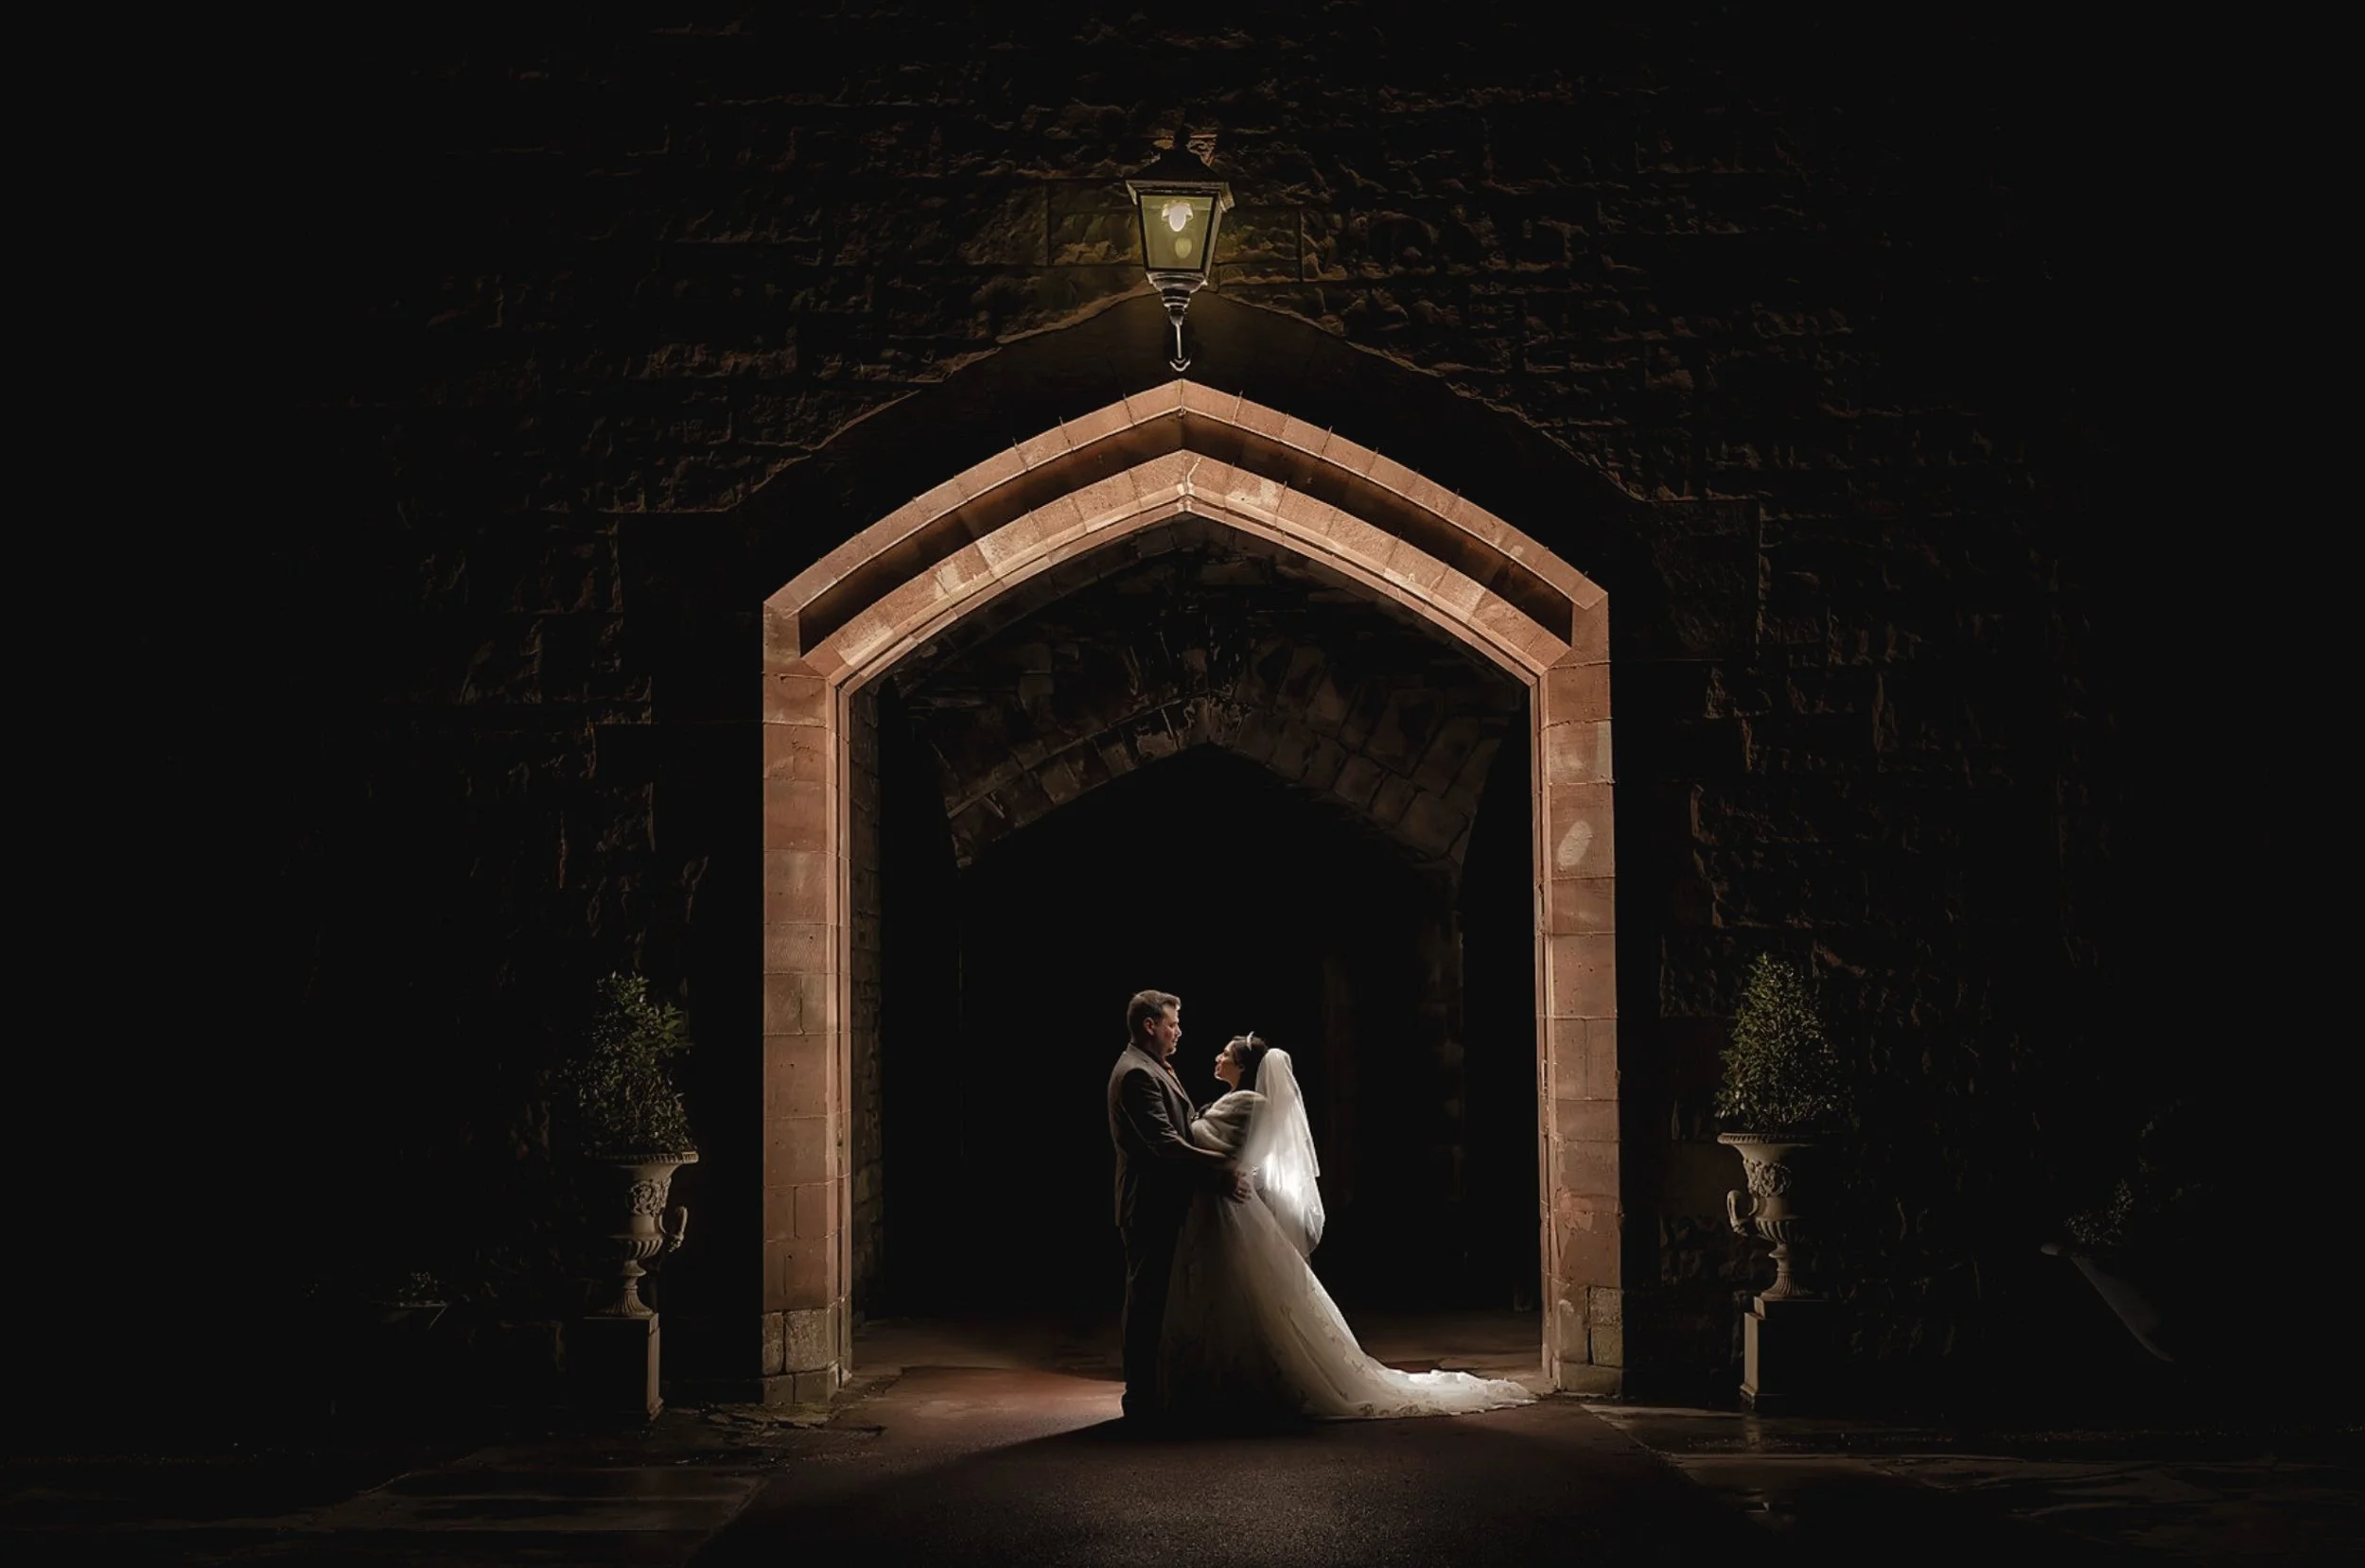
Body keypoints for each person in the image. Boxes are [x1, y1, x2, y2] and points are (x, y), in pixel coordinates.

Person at [1157, 1032, 1537, 1422]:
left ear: (1243, 1065)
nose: (1217, 1057)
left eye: (1226, 1053)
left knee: (1240, 1292)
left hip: (1229, 1207)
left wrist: (1185, 1125)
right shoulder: (1241, 1100)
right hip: (1226, 1202)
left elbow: (1203, 1141)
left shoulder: (1249, 1102)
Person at [1105, 989, 1249, 1422]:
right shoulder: (1136, 1074)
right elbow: (1165, 1145)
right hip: (1148, 1204)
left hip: (1165, 1202)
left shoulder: (1153, 1067)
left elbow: (1180, 1129)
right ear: (1150, 1025)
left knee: (1159, 1298)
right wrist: (1223, 1166)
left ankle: (1157, 1391)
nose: (1178, 1032)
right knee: (1147, 1298)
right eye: (1172, 1024)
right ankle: (1140, 1397)